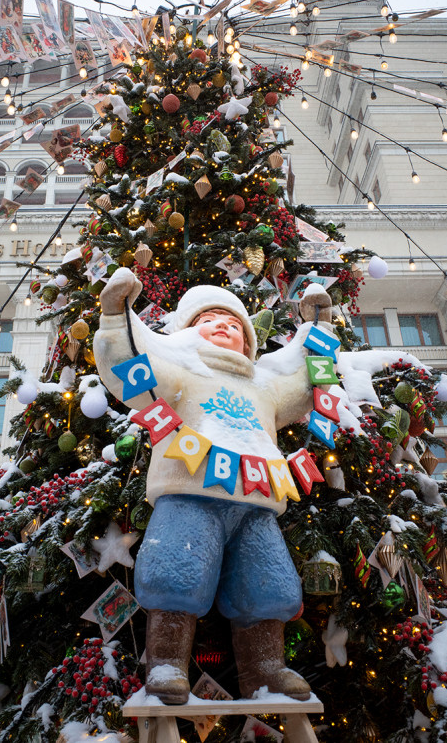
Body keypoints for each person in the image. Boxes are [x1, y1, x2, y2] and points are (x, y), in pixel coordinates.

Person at [94, 268, 333, 705]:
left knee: (268, 583)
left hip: (258, 500)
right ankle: (165, 662)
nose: (225, 326)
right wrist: (116, 317)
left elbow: (305, 380)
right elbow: (131, 366)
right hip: (189, 490)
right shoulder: (180, 369)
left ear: (249, 341)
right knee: (175, 574)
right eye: (210, 320)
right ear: (187, 332)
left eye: (235, 324)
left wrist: (318, 326)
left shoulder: (266, 383)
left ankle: (266, 671)